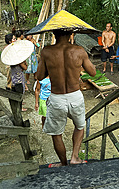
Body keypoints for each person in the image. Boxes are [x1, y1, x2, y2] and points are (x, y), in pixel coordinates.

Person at [37, 29, 96, 167]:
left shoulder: (47, 51)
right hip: (75, 95)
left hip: (57, 97)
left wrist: (50, 66)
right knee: (80, 127)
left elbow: (39, 76)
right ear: (71, 35)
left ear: (54, 35)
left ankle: (63, 164)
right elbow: (92, 72)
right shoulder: (79, 51)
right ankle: (75, 157)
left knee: (56, 134)